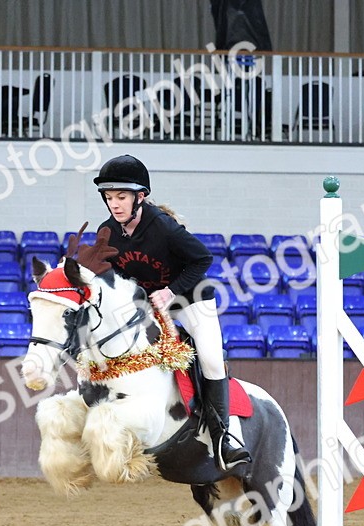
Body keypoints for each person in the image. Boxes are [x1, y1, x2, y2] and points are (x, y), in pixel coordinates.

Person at [93, 154, 250, 471]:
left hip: (190, 298)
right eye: (109, 198)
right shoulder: (107, 231)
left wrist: (171, 289)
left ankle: (225, 439)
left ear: (140, 197)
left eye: (121, 197)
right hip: (147, 304)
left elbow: (202, 259)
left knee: (210, 359)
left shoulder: (163, 227)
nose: (115, 205)